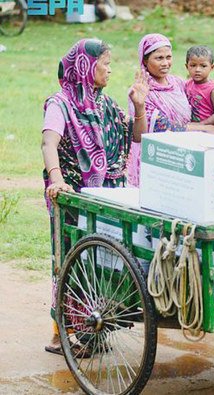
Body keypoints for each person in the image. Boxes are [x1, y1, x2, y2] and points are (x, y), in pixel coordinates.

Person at [41, 38, 136, 355]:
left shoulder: (105, 104)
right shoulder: (61, 104)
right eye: (105, 63)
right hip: (71, 196)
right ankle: (61, 334)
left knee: (98, 263)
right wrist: (57, 179)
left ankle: (91, 329)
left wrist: (139, 104)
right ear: (85, 66)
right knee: (69, 261)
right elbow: (49, 144)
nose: (109, 69)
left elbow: (133, 135)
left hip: (104, 197)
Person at [127, 33, 214, 186]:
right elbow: (161, 127)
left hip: (184, 153)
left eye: (168, 57)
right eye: (159, 58)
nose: (165, 63)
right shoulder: (140, 91)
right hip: (156, 157)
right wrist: (204, 128)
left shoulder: (177, 83)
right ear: (145, 60)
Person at [184, 45, 214, 125]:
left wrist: (202, 124)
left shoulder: (213, 90)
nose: (197, 70)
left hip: (207, 129)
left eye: (203, 66)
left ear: (212, 67)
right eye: (193, 65)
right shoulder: (187, 84)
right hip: (190, 127)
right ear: (187, 66)